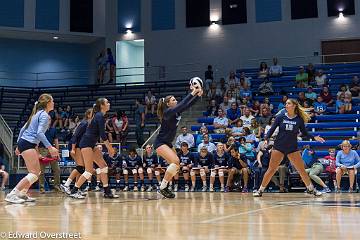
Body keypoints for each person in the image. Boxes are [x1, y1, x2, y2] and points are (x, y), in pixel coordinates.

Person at [253, 98, 325, 197]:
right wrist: (266, 138)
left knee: (302, 171)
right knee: (271, 170)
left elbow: (304, 133)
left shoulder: (298, 119)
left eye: (288, 103)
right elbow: (272, 129)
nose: (286, 105)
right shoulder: (280, 117)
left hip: (292, 148)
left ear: (294, 105)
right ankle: (260, 190)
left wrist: (314, 137)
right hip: (279, 147)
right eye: (286, 103)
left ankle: (311, 189)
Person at [5, 94, 59, 204]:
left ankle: (22, 193)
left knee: (36, 173)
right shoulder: (44, 115)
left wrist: (18, 145)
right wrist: (50, 147)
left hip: (25, 143)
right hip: (28, 143)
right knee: (34, 173)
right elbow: (39, 133)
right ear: (48, 102)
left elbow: (22, 130)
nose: (54, 102)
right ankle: (12, 194)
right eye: (52, 100)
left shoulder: (35, 114)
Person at [155, 84, 202, 198]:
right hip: (160, 142)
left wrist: (198, 95)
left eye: (175, 99)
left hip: (168, 143)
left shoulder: (176, 112)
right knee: (175, 161)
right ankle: (162, 187)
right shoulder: (168, 112)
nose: (176, 101)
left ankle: (164, 187)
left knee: (176, 165)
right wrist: (193, 92)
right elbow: (182, 104)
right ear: (168, 104)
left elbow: (187, 104)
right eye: (173, 100)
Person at [69, 98, 118, 199]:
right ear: (102, 105)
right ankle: (74, 190)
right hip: (86, 144)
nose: (109, 104)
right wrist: (110, 149)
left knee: (104, 166)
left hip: (92, 144)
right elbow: (103, 135)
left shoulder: (100, 115)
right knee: (89, 171)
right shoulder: (99, 115)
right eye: (107, 102)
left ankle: (107, 191)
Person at [60, 109, 93, 195]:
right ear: (89, 115)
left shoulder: (88, 124)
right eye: (93, 114)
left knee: (81, 169)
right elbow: (75, 136)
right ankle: (66, 185)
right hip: (75, 145)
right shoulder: (84, 123)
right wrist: (73, 149)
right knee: (80, 167)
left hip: (80, 146)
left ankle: (76, 188)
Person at [38, 121, 61, 193]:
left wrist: (58, 153)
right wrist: (38, 153)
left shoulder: (53, 129)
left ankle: (57, 187)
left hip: (52, 150)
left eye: (49, 119)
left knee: (57, 169)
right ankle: (42, 188)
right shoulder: (40, 129)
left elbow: (56, 141)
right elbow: (36, 142)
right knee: (41, 171)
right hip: (42, 149)